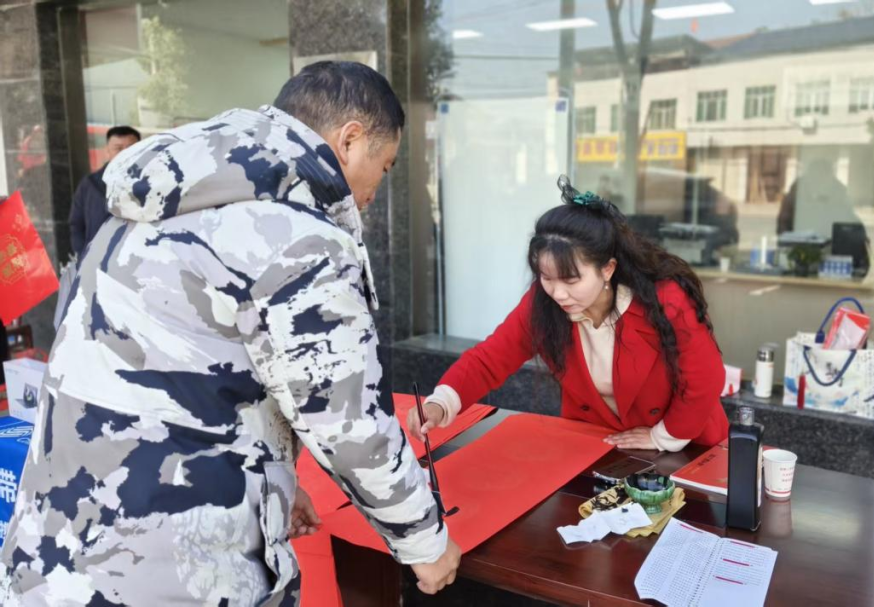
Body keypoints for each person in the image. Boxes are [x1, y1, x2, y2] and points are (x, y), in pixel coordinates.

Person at [0, 61, 460, 605]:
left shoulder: (159, 199)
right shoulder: (295, 235)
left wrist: (273, 482)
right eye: (384, 167)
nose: (374, 193)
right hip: (165, 566)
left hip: (58, 547)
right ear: (350, 140)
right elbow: (347, 422)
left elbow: (190, 372)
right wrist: (424, 540)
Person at [408, 176, 729, 451]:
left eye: (571, 280)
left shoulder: (664, 298)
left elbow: (705, 378)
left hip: (683, 444)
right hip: (598, 443)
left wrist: (663, 436)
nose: (558, 293)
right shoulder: (543, 302)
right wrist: (441, 403)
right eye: (546, 277)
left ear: (607, 269)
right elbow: (490, 360)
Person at [68, 125, 141, 258]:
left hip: (138, 257)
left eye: (131, 148)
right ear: (107, 151)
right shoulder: (90, 184)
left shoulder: (152, 182)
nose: (125, 153)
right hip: (98, 258)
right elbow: (76, 223)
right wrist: (83, 255)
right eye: (118, 148)